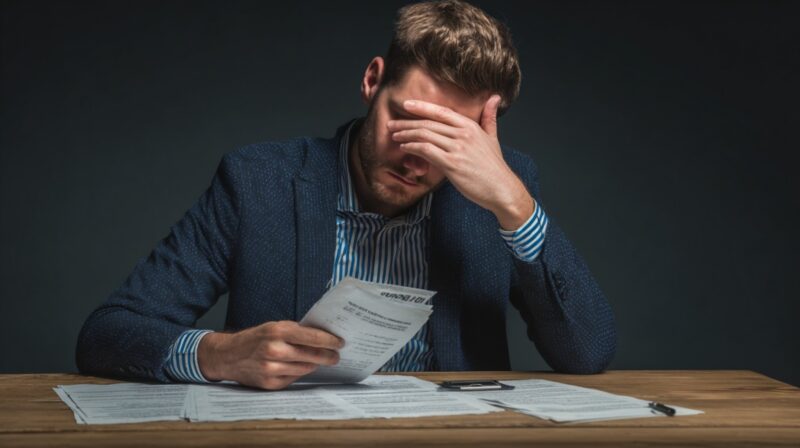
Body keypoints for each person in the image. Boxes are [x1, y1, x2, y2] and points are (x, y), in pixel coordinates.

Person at [76, 0, 616, 391]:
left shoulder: (503, 191)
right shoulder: (257, 181)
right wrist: (219, 354)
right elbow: (106, 335)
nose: (416, 158)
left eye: (449, 141)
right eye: (405, 122)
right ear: (372, 81)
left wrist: (515, 207)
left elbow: (587, 353)